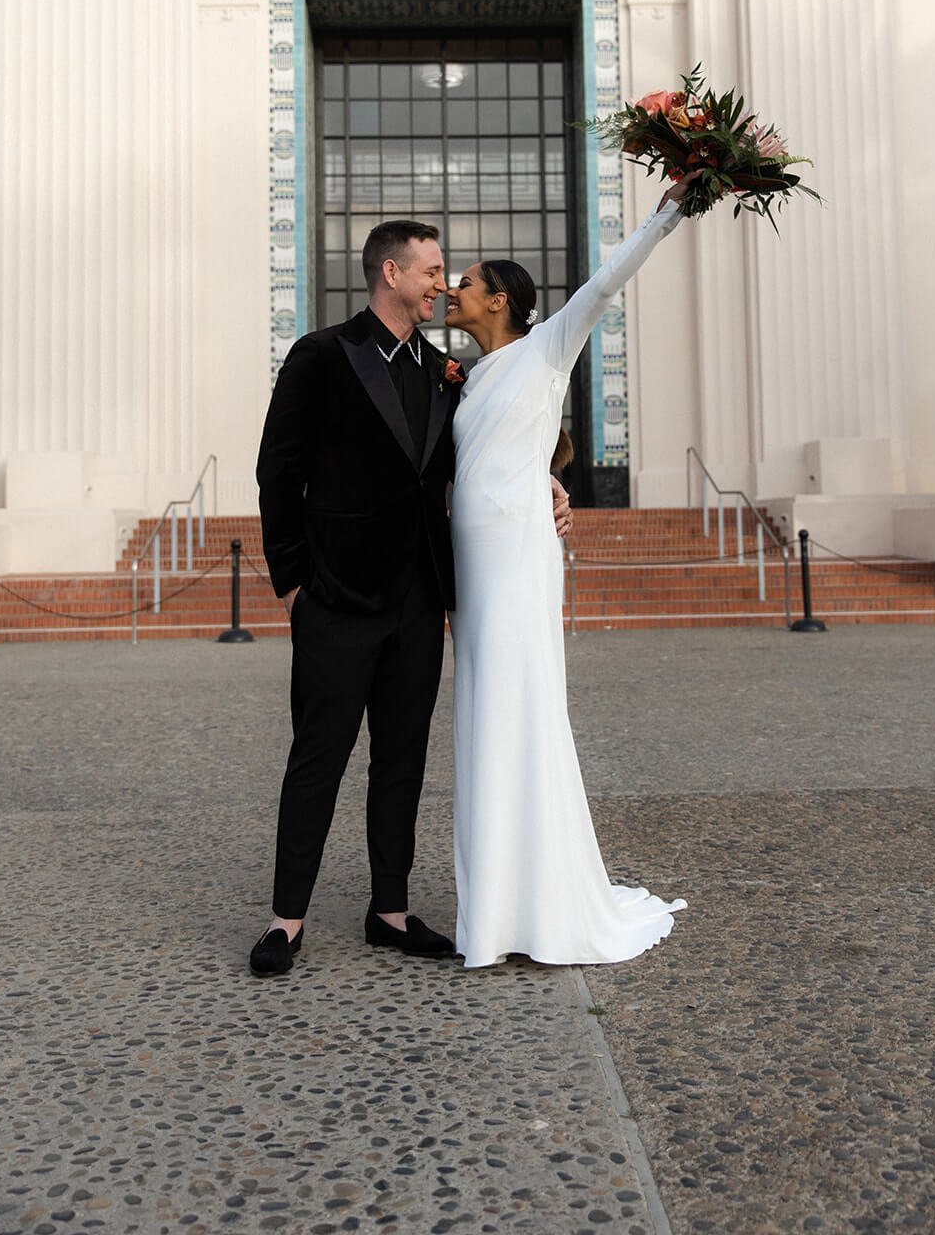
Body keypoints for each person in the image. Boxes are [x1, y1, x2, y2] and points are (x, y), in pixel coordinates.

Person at [250, 219, 570, 976]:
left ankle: (388, 911)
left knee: (401, 760)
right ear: (389, 273)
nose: (440, 283)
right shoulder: (322, 355)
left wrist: (549, 483)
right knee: (317, 759)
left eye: (445, 274)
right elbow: (276, 471)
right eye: (430, 271)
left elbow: (490, 453)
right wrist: (292, 583)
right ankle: (284, 919)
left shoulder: (443, 372)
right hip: (333, 599)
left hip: (419, 603)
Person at [443, 184, 693, 968]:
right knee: (483, 707)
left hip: (518, 556)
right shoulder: (462, 375)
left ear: (501, 302)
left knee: (522, 705)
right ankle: (495, 901)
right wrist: (550, 478)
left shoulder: (549, 344)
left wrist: (669, 211)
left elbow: (607, 279)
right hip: (470, 561)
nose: (453, 290)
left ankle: (541, 903)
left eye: (465, 283)